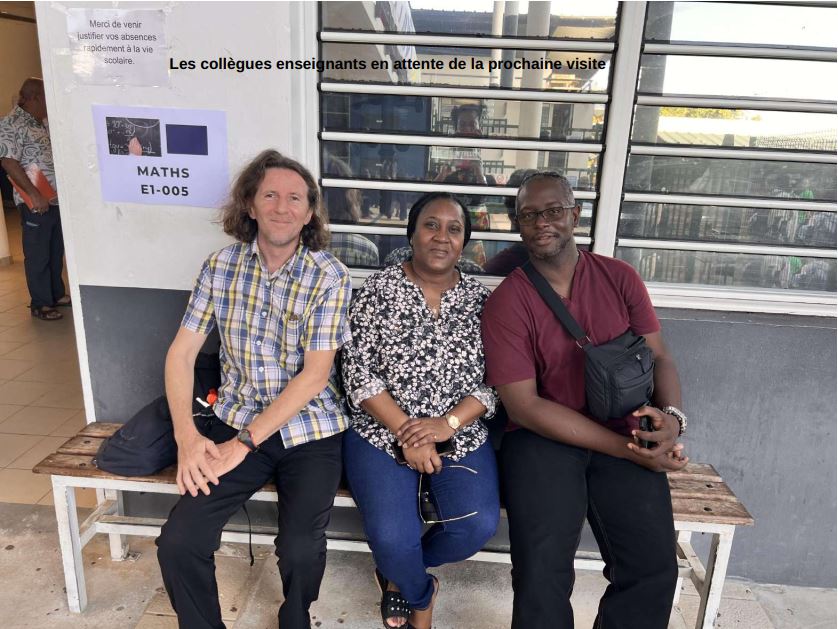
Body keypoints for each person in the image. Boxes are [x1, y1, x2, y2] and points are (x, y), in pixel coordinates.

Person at [481, 171, 689, 629]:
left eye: (553, 210)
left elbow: (659, 356)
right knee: (541, 572)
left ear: (575, 215)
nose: (542, 222)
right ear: (518, 225)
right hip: (542, 439)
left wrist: (672, 419)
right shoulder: (509, 301)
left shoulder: (618, 277)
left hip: (623, 426)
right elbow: (524, 407)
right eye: (529, 215)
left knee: (652, 567)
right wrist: (626, 450)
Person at [155, 150, 352, 629]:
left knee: (300, 548)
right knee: (179, 540)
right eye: (270, 195)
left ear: (310, 212)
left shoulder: (329, 276)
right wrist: (187, 436)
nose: (282, 207)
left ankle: (295, 615)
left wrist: (243, 444)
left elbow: (314, 376)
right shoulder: (220, 267)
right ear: (250, 204)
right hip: (235, 420)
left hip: (310, 430)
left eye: (295, 198)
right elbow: (181, 354)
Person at [341, 192, 500, 629]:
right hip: (381, 431)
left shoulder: (483, 303)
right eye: (431, 225)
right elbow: (358, 373)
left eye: (454, 229)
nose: (441, 237)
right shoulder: (376, 293)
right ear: (411, 233)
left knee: (475, 525)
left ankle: (398, 575)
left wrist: (446, 424)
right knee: (392, 538)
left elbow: (495, 382)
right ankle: (421, 597)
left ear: (464, 241)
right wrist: (408, 432)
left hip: (459, 432)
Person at [0, 77, 69, 320]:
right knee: (38, 253)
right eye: (46, 98)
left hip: (55, 199)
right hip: (36, 202)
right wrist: (34, 194)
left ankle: (55, 294)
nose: (49, 103)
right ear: (35, 98)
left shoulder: (41, 122)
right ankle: (41, 303)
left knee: (54, 250)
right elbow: (9, 162)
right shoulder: (12, 123)